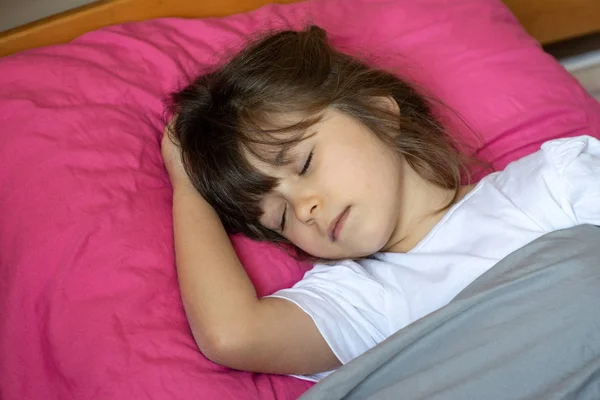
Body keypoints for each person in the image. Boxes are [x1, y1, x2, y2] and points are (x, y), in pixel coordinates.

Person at [161, 25, 600, 381]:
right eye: (279, 217)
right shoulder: (361, 298)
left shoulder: (551, 184)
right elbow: (233, 335)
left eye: (304, 163)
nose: (304, 209)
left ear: (380, 114)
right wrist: (185, 182)